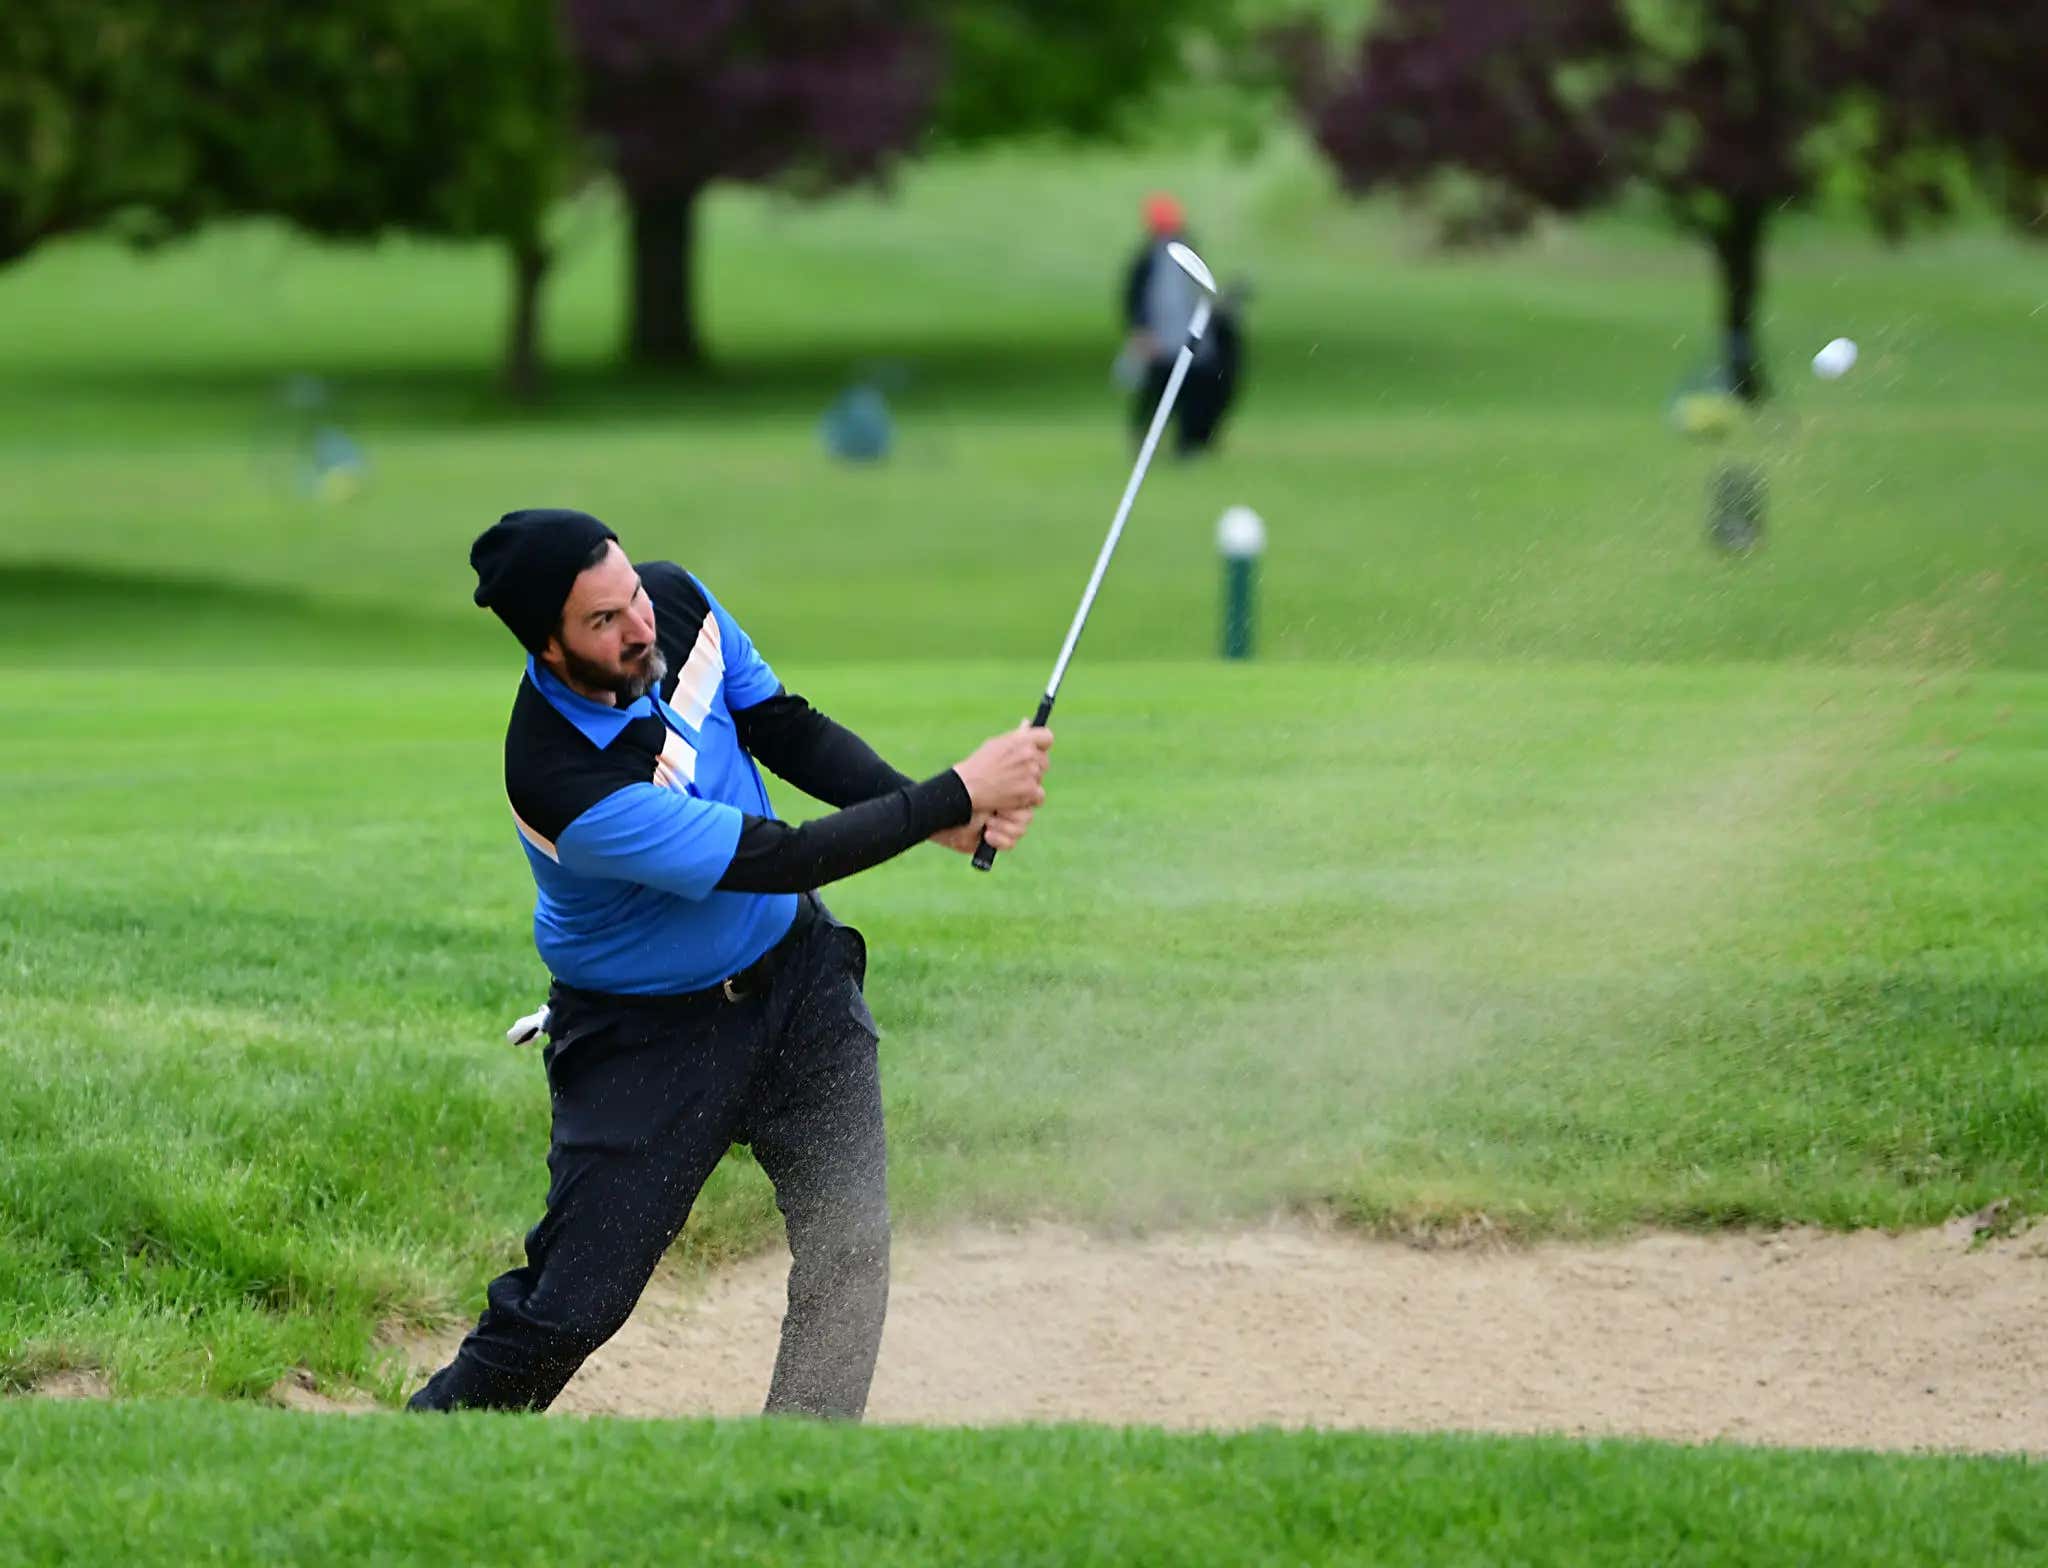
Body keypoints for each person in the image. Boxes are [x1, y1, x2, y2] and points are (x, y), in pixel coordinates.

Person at [408, 508, 1052, 1417]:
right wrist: (954, 792)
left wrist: (938, 812)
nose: (639, 627)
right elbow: (775, 857)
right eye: (603, 621)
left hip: (795, 980)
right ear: (548, 650)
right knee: (570, 1312)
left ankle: (797, 1473)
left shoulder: (677, 603)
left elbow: (784, 727)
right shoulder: (562, 781)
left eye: (630, 594)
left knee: (850, 1248)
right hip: (645, 1043)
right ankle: (422, 1443)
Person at [1118, 192, 1240, 457]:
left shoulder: (1186, 252)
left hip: (1192, 342)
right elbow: (1136, 300)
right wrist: (1142, 332)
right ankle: (1145, 442)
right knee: (1156, 396)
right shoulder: (1148, 260)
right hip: (1162, 343)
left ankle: (1192, 444)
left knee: (1195, 395)